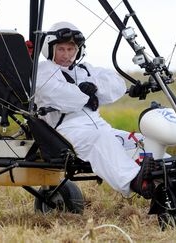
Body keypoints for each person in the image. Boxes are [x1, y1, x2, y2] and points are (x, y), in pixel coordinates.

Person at [34, 21, 154, 199]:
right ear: (50, 49)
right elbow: (57, 95)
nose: (67, 55)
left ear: (78, 50)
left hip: (100, 126)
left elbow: (116, 85)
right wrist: (84, 93)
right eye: (61, 49)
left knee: (140, 141)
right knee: (102, 139)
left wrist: (93, 87)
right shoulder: (43, 71)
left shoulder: (84, 69)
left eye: (71, 49)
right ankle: (136, 181)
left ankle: (169, 175)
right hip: (67, 132)